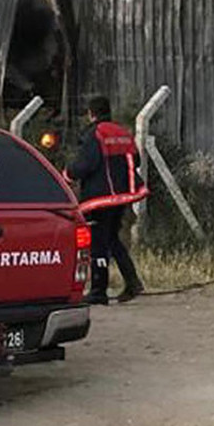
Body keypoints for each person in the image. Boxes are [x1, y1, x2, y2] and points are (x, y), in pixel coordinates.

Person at [64, 96, 146, 305]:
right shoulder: (122, 132)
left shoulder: (95, 134)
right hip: (122, 196)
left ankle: (99, 290)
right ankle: (132, 281)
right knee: (112, 240)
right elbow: (135, 159)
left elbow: (85, 165)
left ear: (92, 113)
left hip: (100, 198)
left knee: (98, 243)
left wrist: (67, 174)